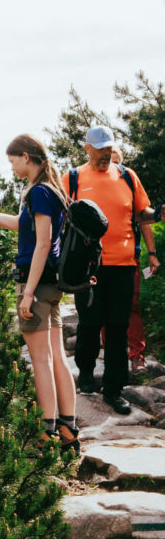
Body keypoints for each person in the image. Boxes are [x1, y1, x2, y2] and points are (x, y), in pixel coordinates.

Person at [0, 135, 78, 452]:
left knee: (41, 360)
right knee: (58, 359)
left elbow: (41, 244)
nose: (11, 167)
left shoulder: (38, 192)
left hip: (36, 284)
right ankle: (68, 431)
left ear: (25, 157)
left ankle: (46, 434)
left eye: (12, 161)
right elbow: (22, 227)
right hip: (53, 285)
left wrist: (28, 293)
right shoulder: (52, 191)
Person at [62, 125, 158, 414]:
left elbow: (143, 212)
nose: (105, 154)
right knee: (90, 325)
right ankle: (87, 376)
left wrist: (159, 213)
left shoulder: (127, 176)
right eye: (99, 149)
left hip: (123, 265)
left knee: (118, 327)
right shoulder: (74, 178)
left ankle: (114, 391)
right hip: (88, 266)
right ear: (87, 148)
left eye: (108, 148)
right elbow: (61, 217)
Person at [108, 146, 159, 375]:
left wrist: (152, 253)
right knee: (105, 309)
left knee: (132, 306)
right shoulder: (89, 182)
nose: (113, 165)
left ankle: (137, 356)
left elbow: (143, 218)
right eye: (109, 160)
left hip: (130, 256)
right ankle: (113, 355)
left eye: (117, 161)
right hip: (100, 259)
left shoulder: (128, 181)